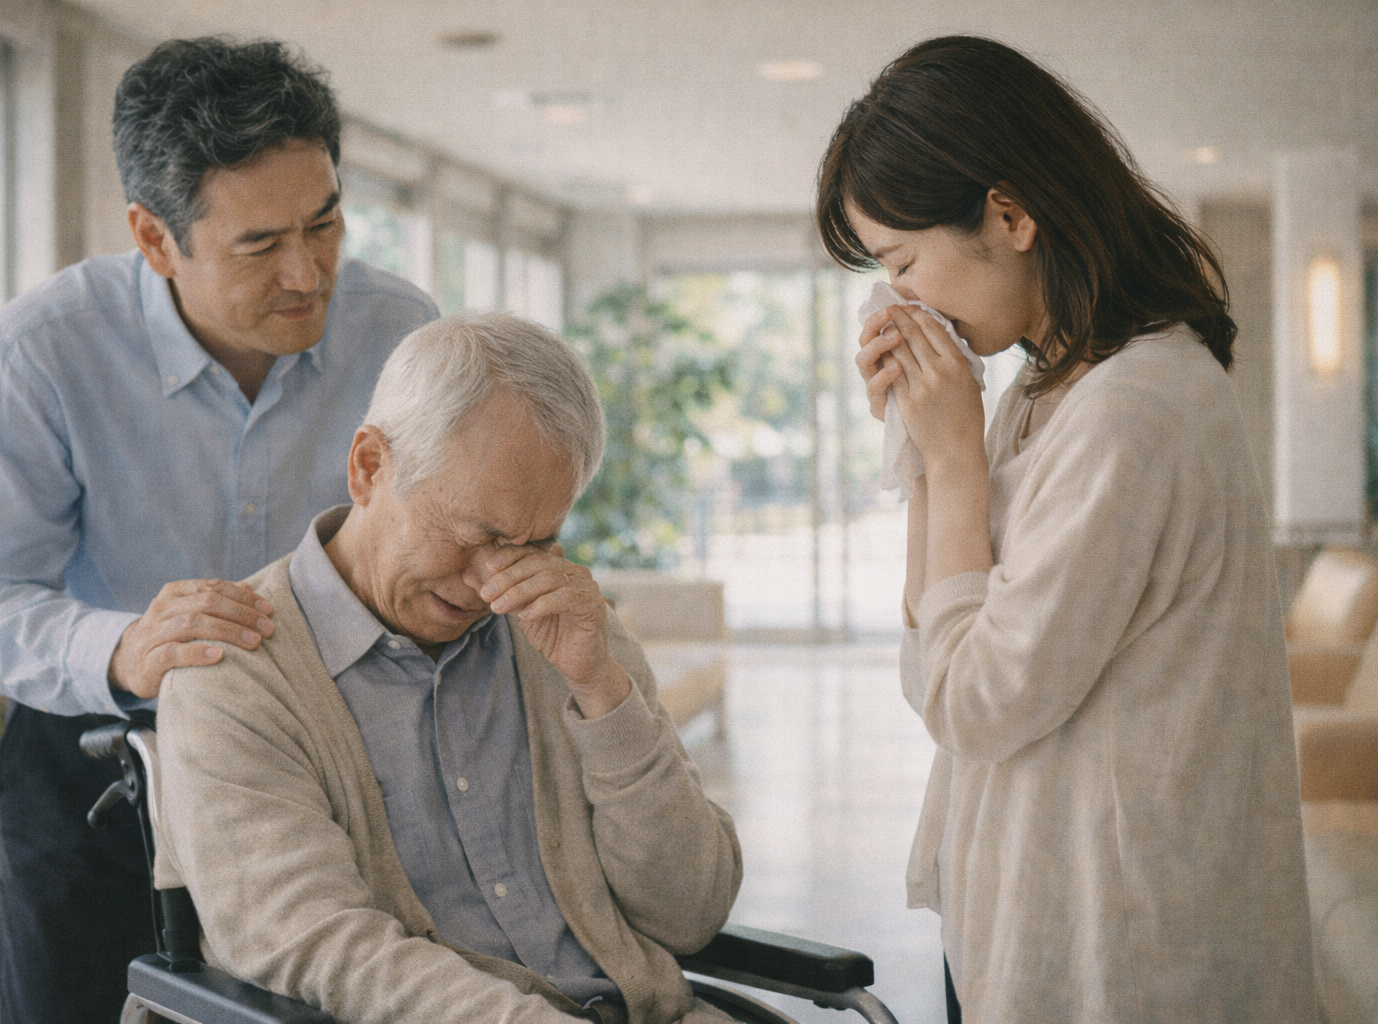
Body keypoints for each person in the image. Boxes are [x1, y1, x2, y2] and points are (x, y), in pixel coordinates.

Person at [0, 38, 437, 1024]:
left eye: (325, 223)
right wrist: (123, 647)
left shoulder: (400, 330)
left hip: (324, 772)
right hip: (94, 773)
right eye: (260, 244)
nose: (307, 273)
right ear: (155, 239)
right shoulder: (38, 353)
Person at [815, 36, 1317, 1024]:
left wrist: (957, 456)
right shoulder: (1046, 390)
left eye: (904, 261)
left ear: (1007, 213)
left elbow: (979, 702)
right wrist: (928, 450)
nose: (902, 299)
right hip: (1032, 907)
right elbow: (935, 673)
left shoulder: (1137, 407)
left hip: (1126, 943)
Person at [151, 312, 743, 1024]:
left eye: (536, 541)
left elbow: (692, 912)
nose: (493, 582)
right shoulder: (233, 675)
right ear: (369, 466)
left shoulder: (567, 630)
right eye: (479, 535)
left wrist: (604, 695)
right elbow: (316, 944)